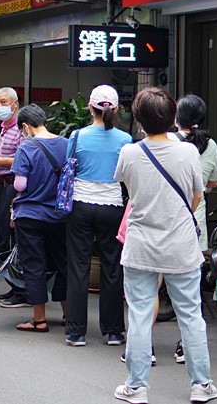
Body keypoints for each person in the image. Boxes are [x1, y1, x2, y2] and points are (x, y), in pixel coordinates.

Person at [113, 87, 217, 404]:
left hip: (141, 243)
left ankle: (136, 386)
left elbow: (130, 192)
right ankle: (201, 385)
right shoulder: (188, 151)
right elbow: (197, 195)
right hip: (181, 244)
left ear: (139, 121)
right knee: (191, 314)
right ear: (174, 117)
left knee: (141, 315)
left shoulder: (130, 153)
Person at [65, 85, 132, 348]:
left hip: (80, 204)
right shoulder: (125, 140)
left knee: (78, 266)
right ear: (116, 110)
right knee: (112, 266)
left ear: (90, 108)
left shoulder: (77, 136)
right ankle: (114, 331)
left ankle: (76, 332)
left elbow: (69, 168)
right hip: (112, 205)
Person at [11, 104, 69, 333]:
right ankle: (68, 315)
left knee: (34, 265)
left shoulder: (26, 148)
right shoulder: (66, 144)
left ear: (25, 126)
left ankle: (40, 320)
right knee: (63, 263)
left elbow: (20, 184)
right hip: (59, 215)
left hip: (30, 215)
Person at [173, 93, 217, 364]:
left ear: (176, 117)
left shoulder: (168, 142)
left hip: (168, 220)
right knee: (191, 291)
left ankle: (146, 347)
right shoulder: (210, 145)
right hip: (195, 222)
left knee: (153, 287)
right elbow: (212, 182)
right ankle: (185, 347)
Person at [0, 87, 26, 308]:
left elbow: (25, 157)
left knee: (12, 238)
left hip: (12, 186)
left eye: (3, 102)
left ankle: (22, 289)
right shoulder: (3, 127)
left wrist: (1, 162)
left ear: (15, 104)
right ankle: (14, 285)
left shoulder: (20, 127)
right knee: (3, 239)